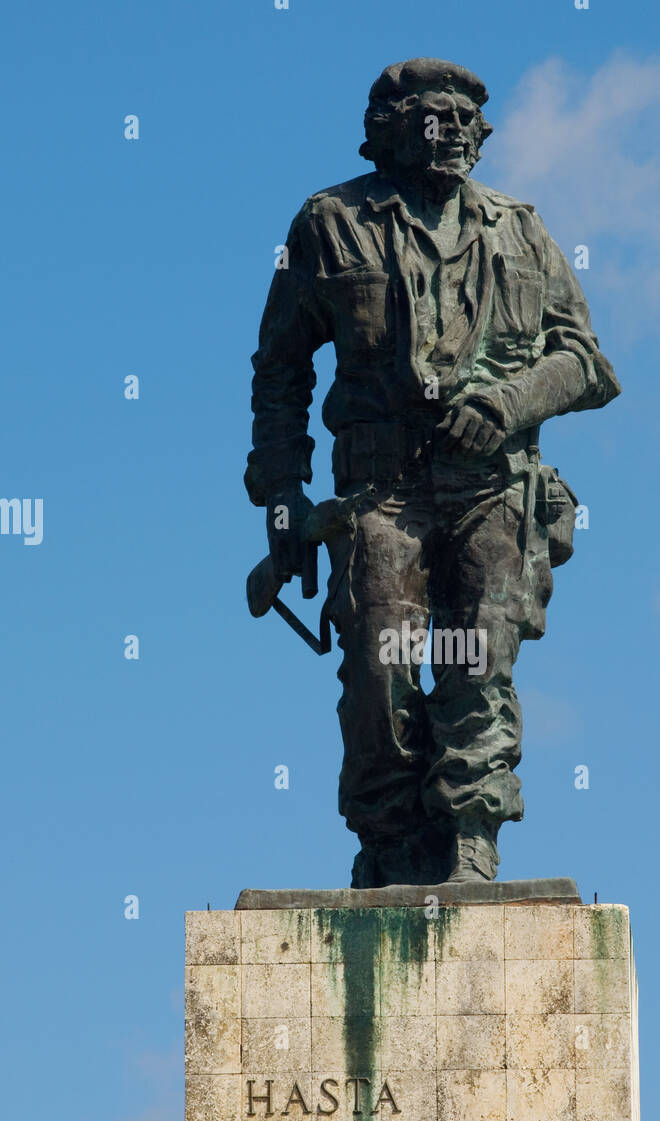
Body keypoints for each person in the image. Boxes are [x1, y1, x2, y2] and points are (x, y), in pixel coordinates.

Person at [245, 57, 620, 886]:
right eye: (431, 116)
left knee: (475, 661)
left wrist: (510, 401)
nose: (451, 131)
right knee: (379, 673)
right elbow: (279, 376)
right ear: (384, 131)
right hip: (377, 491)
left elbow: (587, 363)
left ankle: (470, 839)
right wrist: (282, 508)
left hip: (491, 484)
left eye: (465, 120)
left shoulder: (518, 228)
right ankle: (389, 845)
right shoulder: (329, 222)